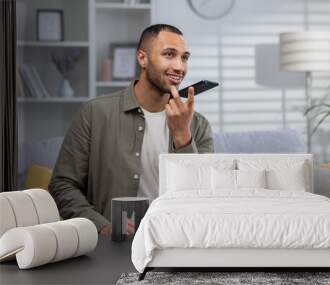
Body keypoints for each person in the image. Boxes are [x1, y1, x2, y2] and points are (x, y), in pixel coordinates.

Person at [48, 24, 214, 235]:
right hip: (110, 248)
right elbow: (62, 186)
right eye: (169, 54)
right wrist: (103, 226)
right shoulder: (95, 113)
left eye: (184, 57)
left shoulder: (198, 125)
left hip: (176, 242)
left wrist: (182, 135)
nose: (180, 66)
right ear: (142, 58)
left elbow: (203, 197)